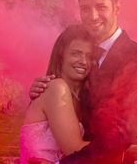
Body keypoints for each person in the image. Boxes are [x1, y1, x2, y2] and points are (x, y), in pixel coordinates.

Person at [29, 0, 137, 164]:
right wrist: (41, 97)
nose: (93, 16)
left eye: (101, 7)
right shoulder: (83, 56)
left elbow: (124, 133)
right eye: (85, 8)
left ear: (117, 8)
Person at [20, 25, 97, 164]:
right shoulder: (56, 88)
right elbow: (74, 150)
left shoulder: (78, 98)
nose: (83, 61)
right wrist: (126, 152)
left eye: (89, 56)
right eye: (76, 53)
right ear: (61, 55)